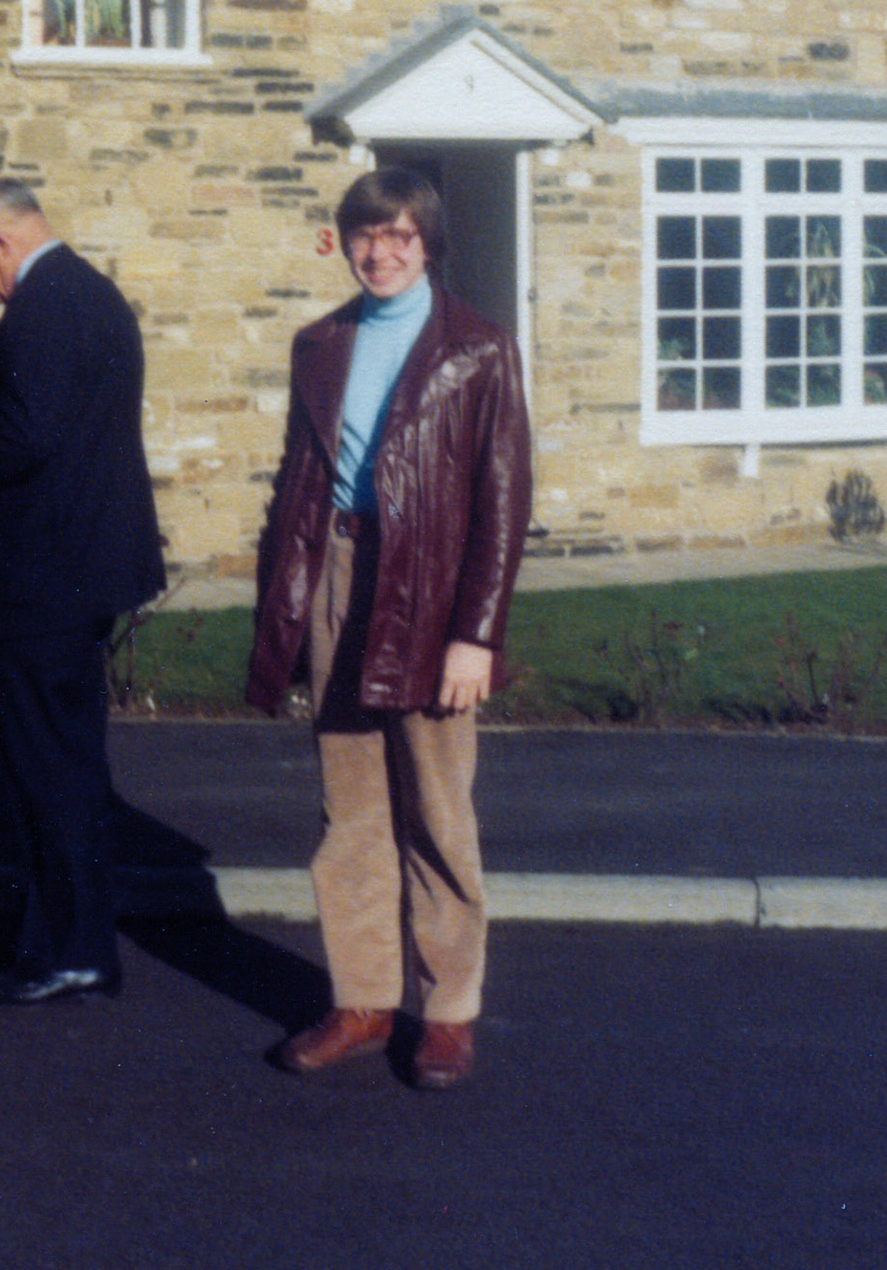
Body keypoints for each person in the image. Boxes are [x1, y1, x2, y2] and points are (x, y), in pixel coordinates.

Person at [247, 166, 530, 1089]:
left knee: (438, 808)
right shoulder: (319, 344)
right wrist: (287, 608)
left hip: (433, 592)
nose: (382, 252)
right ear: (344, 240)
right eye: (367, 235)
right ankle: (364, 998)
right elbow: (297, 485)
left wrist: (475, 633)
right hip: (337, 572)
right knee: (352, 807)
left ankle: (447, 1010)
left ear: (429, 244)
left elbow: (502, 501)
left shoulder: (479, 350)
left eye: (402, 237)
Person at [0, 176, 165, 1005]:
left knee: (49, 771)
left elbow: (33, 434)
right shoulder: (89, 292)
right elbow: (50, 424)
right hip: (79, 571)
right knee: (69, 766)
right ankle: (79, 945)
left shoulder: (42, 307)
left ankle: (65, 955)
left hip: (44, 577)